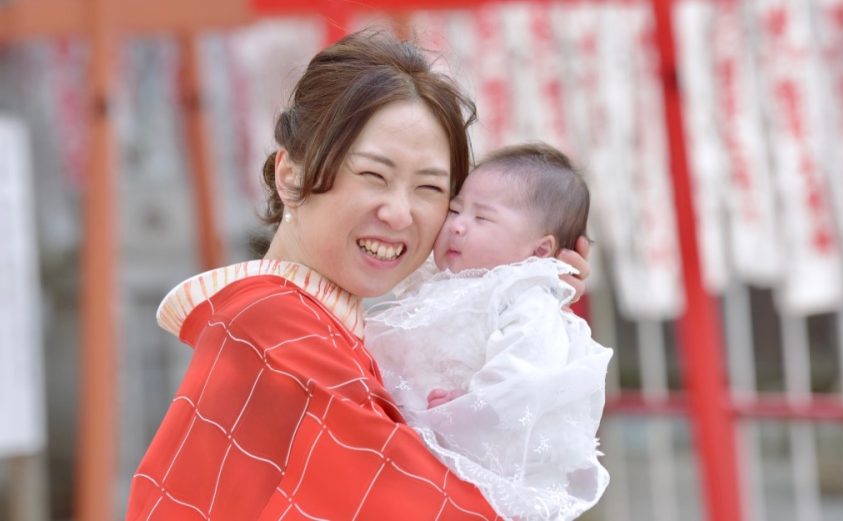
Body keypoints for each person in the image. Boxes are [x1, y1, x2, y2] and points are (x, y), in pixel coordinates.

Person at [126, 30, 591, 520]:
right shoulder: (278, 326)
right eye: (373, 175)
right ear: (292, 176)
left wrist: (516, 300)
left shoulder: (320, 325)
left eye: (431, 189)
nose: (399, 213)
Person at [364, 143, 612, 521]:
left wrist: (470, 404)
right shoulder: (435, 281)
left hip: (467, 448)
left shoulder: (524, 295)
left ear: (540, 251)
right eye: (455, 210)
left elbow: (524, 373)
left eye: (483, 218)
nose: (458, 225)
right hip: (402, 441)